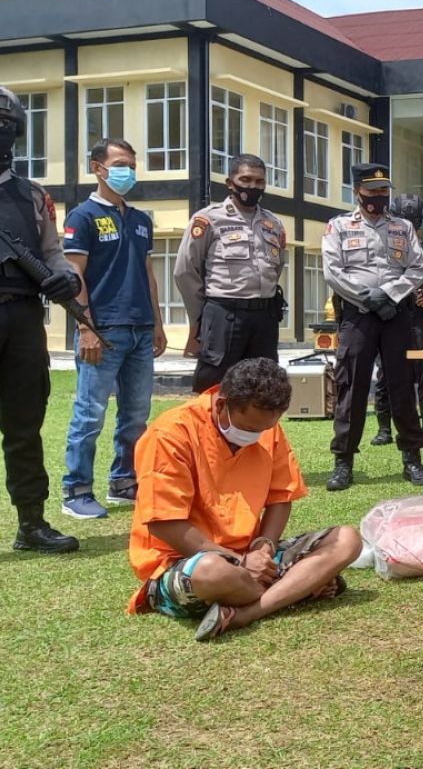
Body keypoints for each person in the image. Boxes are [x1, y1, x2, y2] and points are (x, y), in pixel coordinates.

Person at [126, 358, 361, 641]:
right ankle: (299, 588)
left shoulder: (265, 426)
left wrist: (264, 547)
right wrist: (239, 561)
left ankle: (246, 614)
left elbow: (280, 496)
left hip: (253, 558)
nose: (255, 436)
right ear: (222, 405)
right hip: (182, 562)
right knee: (212, 571)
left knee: (347, 539)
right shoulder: (170, 434)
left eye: (263, 429)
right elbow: (164, 523)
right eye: (249, 429)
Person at [60, 138, 167, 520]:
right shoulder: (82, 217)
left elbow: (149, 275)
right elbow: (74, 276)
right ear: (98, 168)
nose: (128, 172)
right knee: (90, 414)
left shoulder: (140, 219)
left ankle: (125, 482)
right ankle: (76, 490)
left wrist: (156, 323)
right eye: (121, 163)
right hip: (102, 330)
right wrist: (85, 327)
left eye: (132, 164)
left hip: (140, 329)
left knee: (136, 414)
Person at [0, 87, 84, 553]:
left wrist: (66, 279)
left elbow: (53, 254)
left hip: (24, 319)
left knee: (24, 424)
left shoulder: (33, 195)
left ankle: (30, 523)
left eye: (6, 123)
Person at [323, 163, 423, 491]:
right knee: (351, 386)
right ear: (358, 191)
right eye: (372, 190)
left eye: (384, 190)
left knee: (402, 385)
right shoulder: (338, 227)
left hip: (396, 313)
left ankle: (412, 458)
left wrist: (391, 296)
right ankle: (344, 461)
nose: (379, 196)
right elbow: (333, 271)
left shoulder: (403, 227)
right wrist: (369, 297)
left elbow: (417, 268)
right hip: (358, 314)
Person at [175, 154, 288, 393]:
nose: (252, 186)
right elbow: (185, 270)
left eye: (259, 181)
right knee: (214, 387)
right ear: (229, 182)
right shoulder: (208, 219)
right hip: (224, 313)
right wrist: (201, 317)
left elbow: (276, 268)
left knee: (264, 387)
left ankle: (257, 432)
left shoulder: (274, 223)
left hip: (264, 316)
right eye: (245, 179)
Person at [366, 193, 423, 446]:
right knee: (385, 374)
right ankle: (384, 427)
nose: (408, 227)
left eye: (413, 222)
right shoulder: (380, 244)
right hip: (388, 316)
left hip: (418, 319)